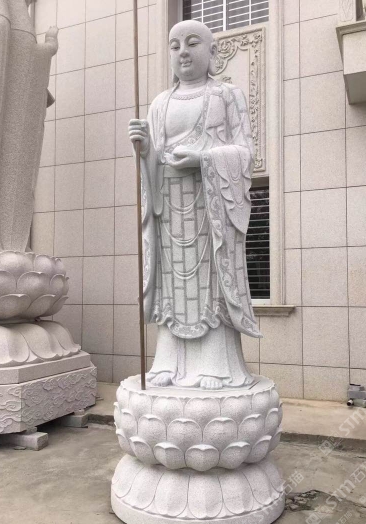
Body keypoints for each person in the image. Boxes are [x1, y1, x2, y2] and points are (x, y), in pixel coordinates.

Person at [128, 19, 260, 390]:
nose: (183, 52)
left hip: (210, 207)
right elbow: (154, 161)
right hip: (169, 208)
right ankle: (168, 361)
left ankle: (216, 365)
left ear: (213, 51)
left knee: (210, 281)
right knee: (171, 285)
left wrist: (203, 159)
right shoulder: (160, 103)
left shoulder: (227, 95)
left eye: (192, 43)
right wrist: (144, 150)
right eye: (175, 46)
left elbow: (245, 153)